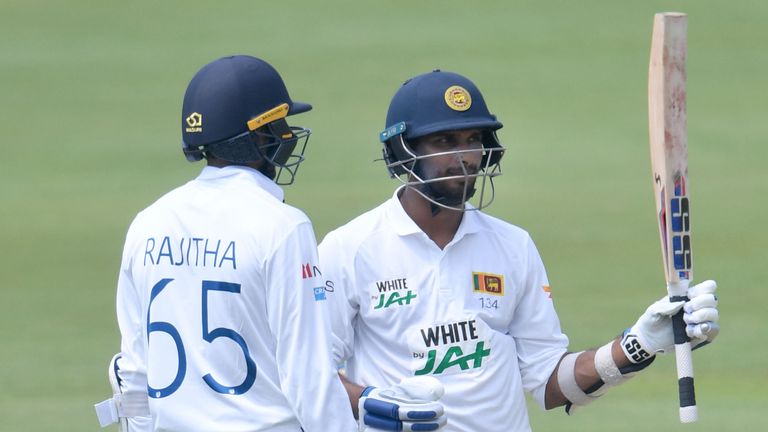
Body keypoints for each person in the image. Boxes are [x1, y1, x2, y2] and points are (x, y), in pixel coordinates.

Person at [319, 69, 720, 431]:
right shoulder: (349, 249)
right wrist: (375, 404)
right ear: (403, 152)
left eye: (472, 140)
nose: (463, 159)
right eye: (444, 142)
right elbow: (311, 375)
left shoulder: (512, 246)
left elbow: (548, 383)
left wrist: (638, 344)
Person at [94, 55, 358, 431]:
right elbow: (310, 380)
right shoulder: (283, 226)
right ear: (258, 135)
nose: (287, 134)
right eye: (278, 124)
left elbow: (135, 376)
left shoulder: (147, 223)